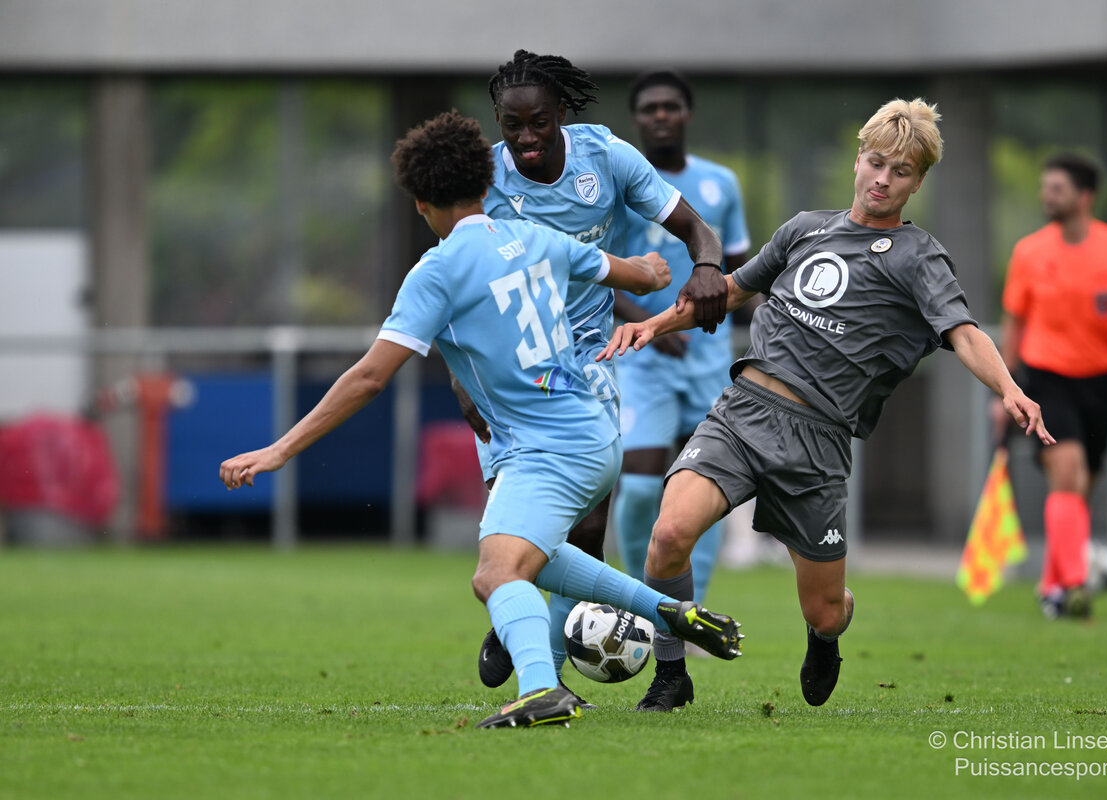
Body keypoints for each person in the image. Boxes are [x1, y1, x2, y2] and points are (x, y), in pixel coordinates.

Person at [218, 110, 743, 729]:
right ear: (486, 179)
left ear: (420, 203)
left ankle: (542, 690)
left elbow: (368, 378)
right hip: (594, 430)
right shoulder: (535, 237)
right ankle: (669, 612)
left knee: (495, 575)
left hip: (546, 447)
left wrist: (280, 449)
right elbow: (634, 274)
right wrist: (653, 269)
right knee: (538, 557)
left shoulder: (437, 271)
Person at [599, 98, 1054, 711]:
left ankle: (826, 635)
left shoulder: (919, 257)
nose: (882, 180)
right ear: (858, 159)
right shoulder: (805, 228)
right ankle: (671, 674)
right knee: (669, 532)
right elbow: (729, 290)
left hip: (817, 442)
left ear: (918, 183)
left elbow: (964, 333)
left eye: (900, 172)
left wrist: (1011, 389)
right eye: (876, 163)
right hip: (742, 412)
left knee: (824, 608)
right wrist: (650, 325)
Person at [468, 50, 730, 696]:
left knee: (586, 526)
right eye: (511, 125)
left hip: (586, 359)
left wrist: (705, 267)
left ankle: (545, 667)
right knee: (515, 529)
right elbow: (458, 279)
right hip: (506, 367)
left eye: (538, 122)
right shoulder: (486, 179)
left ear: (561, 112)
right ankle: (515, 599)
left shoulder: (606, 158)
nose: (526, 138)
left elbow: (696, 228)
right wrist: (462, 377)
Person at [611, 69, 751, 619]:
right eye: (650, 108)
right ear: (637, 119)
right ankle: (637, 604)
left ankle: (693, 612)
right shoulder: (618, 186)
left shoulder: (721, 183)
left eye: (670, 106)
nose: (661, 115)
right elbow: (595, 274)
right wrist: (651, 322)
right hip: (641, 358)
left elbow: (740, 272)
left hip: (708, 361)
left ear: (687, 114)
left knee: (704, 493)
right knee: (640, 488)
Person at [995, 151, 1107, 621]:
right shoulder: (1029, 251)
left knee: (1082, 487)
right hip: (1046, 379)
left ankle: (1052, 585)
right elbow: (1014, 323)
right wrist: (1005, 389)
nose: (1047, 196)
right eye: (1045, 188)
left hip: (1100, 382)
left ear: (1084, 197)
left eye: (1057, 189)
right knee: (1067, 473)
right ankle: (1075, 583)